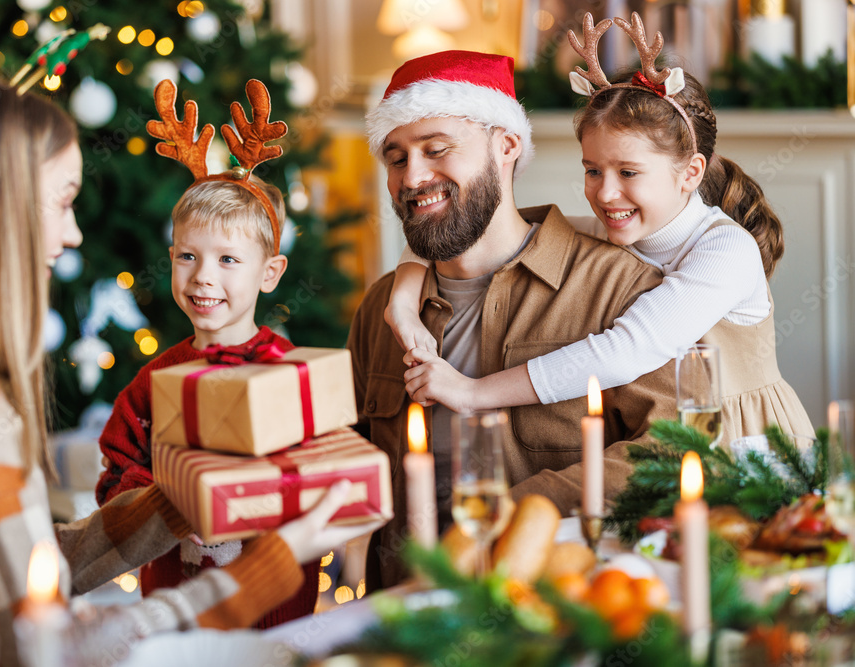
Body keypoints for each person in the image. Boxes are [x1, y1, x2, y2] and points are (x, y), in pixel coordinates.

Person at [0, 73, 379, 666]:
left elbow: (12, 582)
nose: (75, 232)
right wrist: (271, 563)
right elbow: (56, 647)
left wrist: (186, 496)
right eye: (62, 201)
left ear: (269, 271)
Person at [384, 16, 814, 443]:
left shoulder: (726, 250)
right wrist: (403, 299)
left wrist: (473, 391)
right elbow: (469, 231)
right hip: (689, 438)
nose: (606, 193)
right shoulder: (611, 232)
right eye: (592, 170)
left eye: (628, 172)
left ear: (691, 172)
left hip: (751, 442)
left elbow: (627, 350)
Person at [349, 49, 678, 592]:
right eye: (396, 158)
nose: (413, 176)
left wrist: (524, 509)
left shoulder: (618, 288)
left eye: (436, 150)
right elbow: (347, 455)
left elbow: (674, 450)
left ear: (506, 146)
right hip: (404, 622)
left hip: (559, 621)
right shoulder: (384, 307)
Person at [95, 176, 321, 625]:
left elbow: (326, 470)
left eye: (228, 259)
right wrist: (160, 504)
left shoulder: (292, 374)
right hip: (177, 615)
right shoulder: (154, 380)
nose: (203, 276)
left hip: (277, 615)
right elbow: (115, 476)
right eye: (187, 256)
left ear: (270, 273)